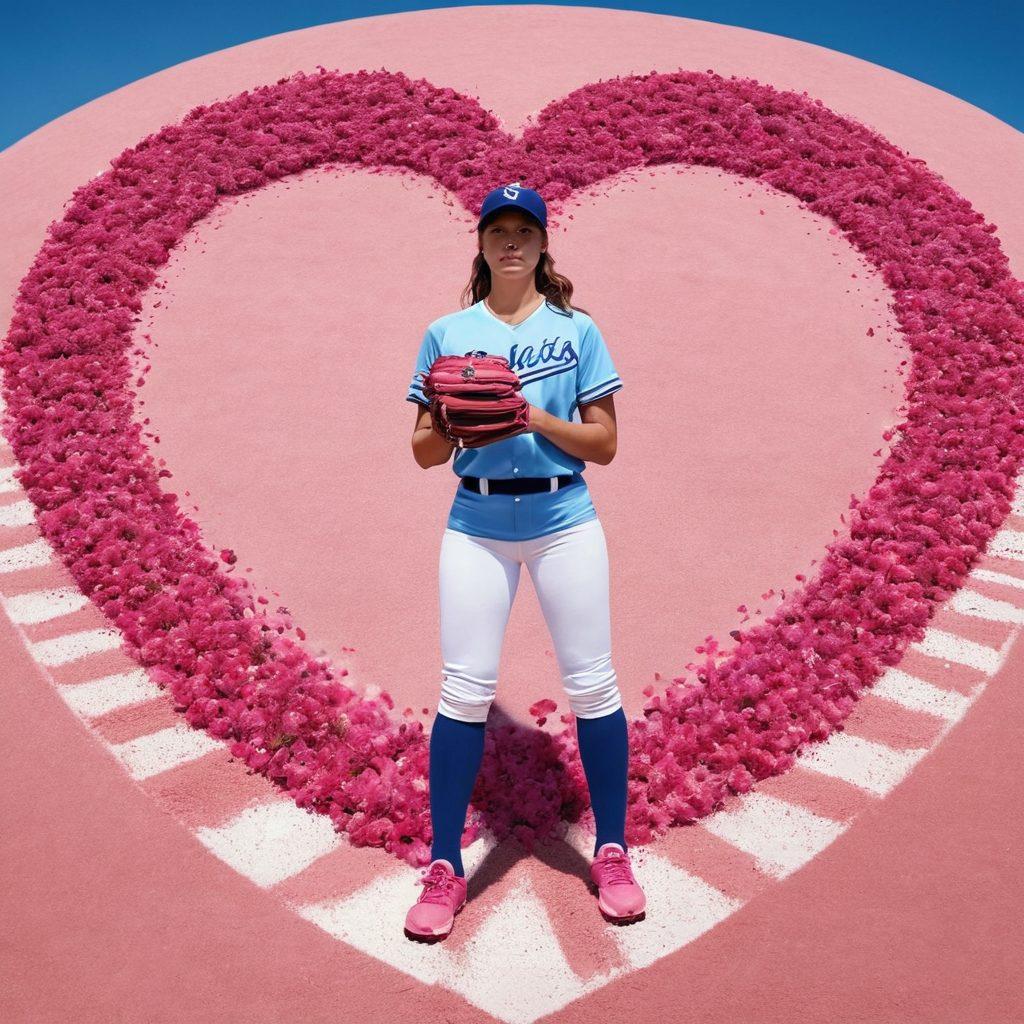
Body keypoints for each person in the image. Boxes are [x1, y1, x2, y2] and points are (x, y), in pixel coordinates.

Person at [403, 182, 646, 942]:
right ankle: (445, 864)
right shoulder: (446, 331)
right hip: (474, 520)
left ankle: (611, 848)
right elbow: (421, 452)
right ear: (480, 243)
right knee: (464, 686)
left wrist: (527, 414)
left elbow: (604, 444)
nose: (511, 240)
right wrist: (452, 424)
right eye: (497, 229)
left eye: (524, 229)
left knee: (592, 681)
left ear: (544, 245)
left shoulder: (577, 331)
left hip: (563, 518)